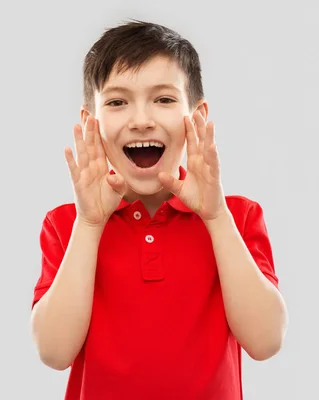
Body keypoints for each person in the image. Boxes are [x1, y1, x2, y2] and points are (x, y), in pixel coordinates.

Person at [29, 19, 288, 400]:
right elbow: (53, 351)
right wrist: (90, 223)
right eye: (117, 102)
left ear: (196, 117)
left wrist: (215, 217)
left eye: (164, 99)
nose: (141, 120)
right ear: (90, 122)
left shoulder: (237, 216)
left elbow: (266, 341)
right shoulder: (67, 224)